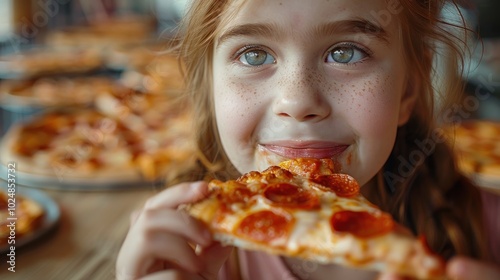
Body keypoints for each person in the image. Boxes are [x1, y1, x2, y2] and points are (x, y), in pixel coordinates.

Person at [116, 0, 500, 279]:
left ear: (407, 91)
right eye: (253, 55)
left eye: (346, 53)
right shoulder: (182, 251)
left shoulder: (489, 231)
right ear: (210, 88)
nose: (297, 102)